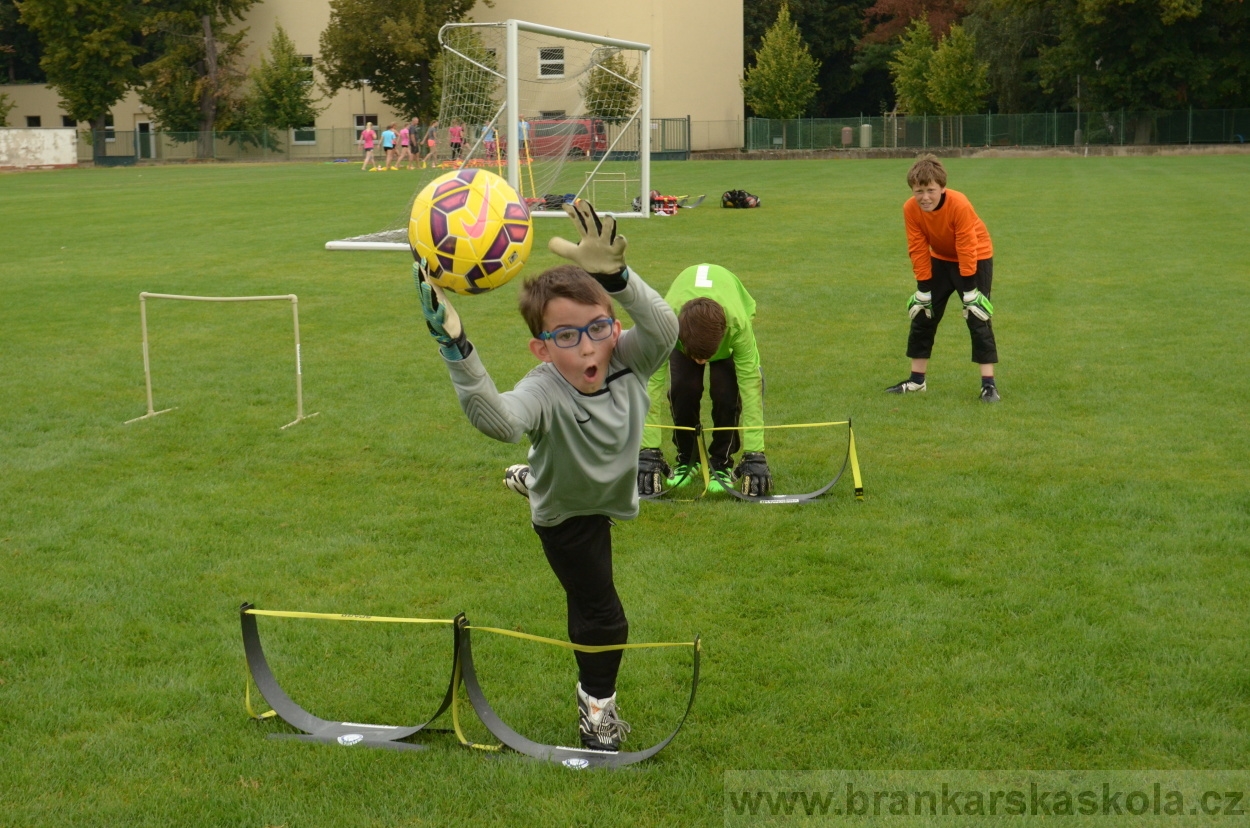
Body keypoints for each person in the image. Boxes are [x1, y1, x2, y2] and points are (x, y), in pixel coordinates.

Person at [414, 200, 679, 752]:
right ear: (540, 347)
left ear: (614, 325)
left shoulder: (629, 357)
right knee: (603, 614)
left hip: (604, 493)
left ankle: (534, 475)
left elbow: (665, 327)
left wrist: (618, 278)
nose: (588, 346)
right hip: (568, 516)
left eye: (598, 327)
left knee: (577, 503)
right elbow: (500, 420)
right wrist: (456, 347)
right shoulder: (543, 387)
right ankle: (596, 712)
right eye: (566, 337)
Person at [639, 264, 770, 497]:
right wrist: (648, 449)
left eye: (706, 357)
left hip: (726, 329)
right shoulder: (665, 326)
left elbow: (751, 386)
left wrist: (755, 454)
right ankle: (687, 460)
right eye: (696, 357)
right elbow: (651, 385)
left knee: (726, 394)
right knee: (683, 389)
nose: (701, 363)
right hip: (682, 331)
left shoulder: (737, 326)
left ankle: (722, 462)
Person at [887, 153, 1000, 402]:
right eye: (919, 191)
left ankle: (989, 386)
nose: (924, 197)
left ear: (942, 188)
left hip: (975, 257)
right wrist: (923, 289)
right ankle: (917, 381)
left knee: (977, 315)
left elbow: (967, 244)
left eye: (930, 190)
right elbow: (917, 247)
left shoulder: (959, 203)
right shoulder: (910, 209)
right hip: (940, 258)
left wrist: (970, 291)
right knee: (923, 314)